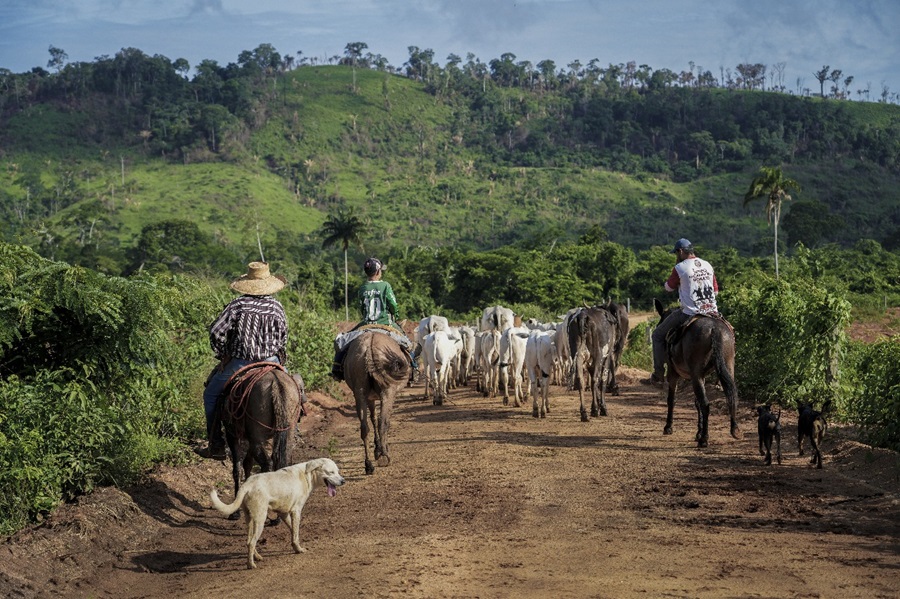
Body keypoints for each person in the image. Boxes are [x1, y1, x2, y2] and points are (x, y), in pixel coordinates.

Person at [196, 262, 288, 460]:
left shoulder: (238, 305)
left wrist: (224, 353)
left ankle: (216, 443)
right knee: (293, 389)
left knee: (210, 395)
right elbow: (283, 337)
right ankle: (292, 427)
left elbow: (216, 332)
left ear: (248, 282)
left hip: (240, 363)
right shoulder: (276, 306)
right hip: (271, 361)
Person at [647, 238, 719, 386]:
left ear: (680, 251)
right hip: (712, 312)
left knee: (657, 335)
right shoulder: (707, 264)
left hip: (689, 312)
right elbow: (716, 291)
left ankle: (658, 373)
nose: (676, 256)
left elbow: (668, 287)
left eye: (676, 253)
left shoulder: (680, 267)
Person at [331, 257, 416, 381]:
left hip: (366, 324)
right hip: (385, 323)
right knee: (408, 344)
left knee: (342, 342)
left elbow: (362, 308)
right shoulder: (385, 285)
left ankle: (336, 369)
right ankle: (413, 368)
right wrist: (395, 316)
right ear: (377, 272)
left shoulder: (362, 288)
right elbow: (393, 305)